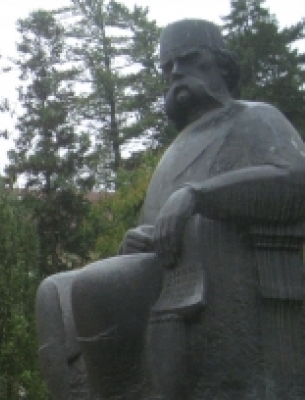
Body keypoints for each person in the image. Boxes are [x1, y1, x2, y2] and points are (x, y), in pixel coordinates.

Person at [36, 19, 305, 399]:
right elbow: (157, 230)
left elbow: (295, 181)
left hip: (223, 273)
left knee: (96, 286)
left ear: (221, 64)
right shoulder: (175, 150)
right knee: (53, 293)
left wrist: (198, 195)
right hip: (169, 269)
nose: (176, 72)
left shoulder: (256, 117)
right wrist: (137, 241)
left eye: (189, 60)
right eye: (168, 67)